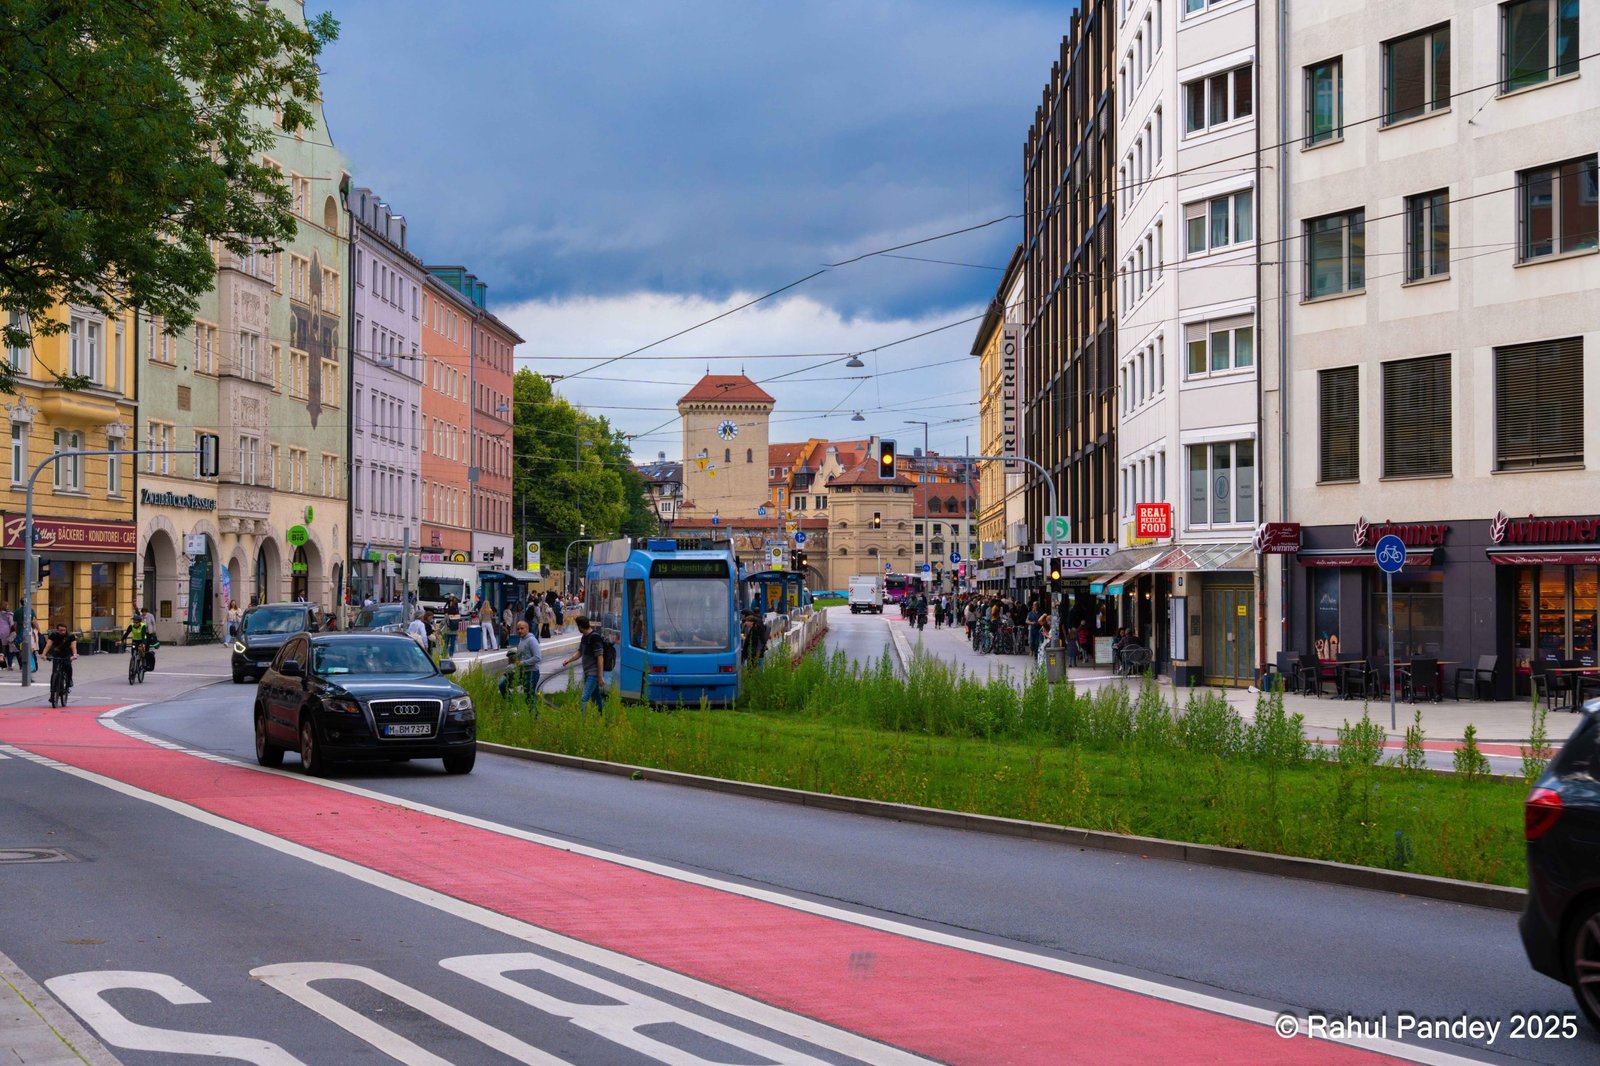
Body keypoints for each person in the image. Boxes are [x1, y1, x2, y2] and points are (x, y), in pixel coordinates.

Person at [563, 615, 606, 714]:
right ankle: (604, 717)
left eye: (578, 626)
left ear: (581, 627)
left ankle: (582, 722)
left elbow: (600, 658)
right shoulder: (585, 637)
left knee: (584, 698)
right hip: (587, 672)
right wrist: (568, 660)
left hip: (593, 674)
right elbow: (580, 652)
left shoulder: (595, 638)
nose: (578, 628)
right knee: (596, 697)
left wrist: (600, 676)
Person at [499, 619, 541, 703]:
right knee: (503, 685)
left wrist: (521, 663)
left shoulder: (531, 640)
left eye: (522, 628)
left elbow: (537, 657)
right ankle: (512, 707)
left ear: (527, 629)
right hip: (522, 672)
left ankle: (534, 716)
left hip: (531, 673)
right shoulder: (522, 640)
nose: (519, 631)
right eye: (518, 629)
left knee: (529, 699)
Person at [43, 621, 77, 693]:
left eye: (64, 630)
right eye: (61, 630)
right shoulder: (53, 635)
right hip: (57, 653)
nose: (63, 632)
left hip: (67, 653)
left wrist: (74, 655)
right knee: (54, 672)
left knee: (68, 666)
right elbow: (48, 645)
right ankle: (52, 691)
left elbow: (73, 647)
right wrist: (44, 654)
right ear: (57, 630)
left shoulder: (70, 636)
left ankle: (69, 681)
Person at [0, 603, 13, 670]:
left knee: (1, 648)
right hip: (7, 632)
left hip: (0, 632)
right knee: (9, 649)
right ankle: (9, 665)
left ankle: (2, 665)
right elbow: (12, 624)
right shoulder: (9, 615)